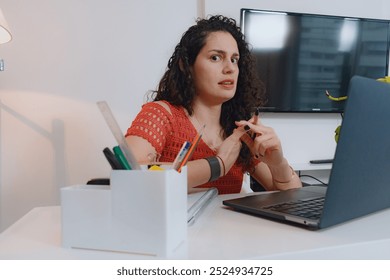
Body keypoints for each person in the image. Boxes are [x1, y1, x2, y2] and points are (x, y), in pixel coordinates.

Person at [125, 15, 302, 194]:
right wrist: (217, 165)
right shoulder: (161, 114)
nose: (230, 68)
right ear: (186, 65)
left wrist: (278, 163)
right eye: (216, 57)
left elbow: (292, 197)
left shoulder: (240, 129)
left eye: (234, 60)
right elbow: (131, 177)